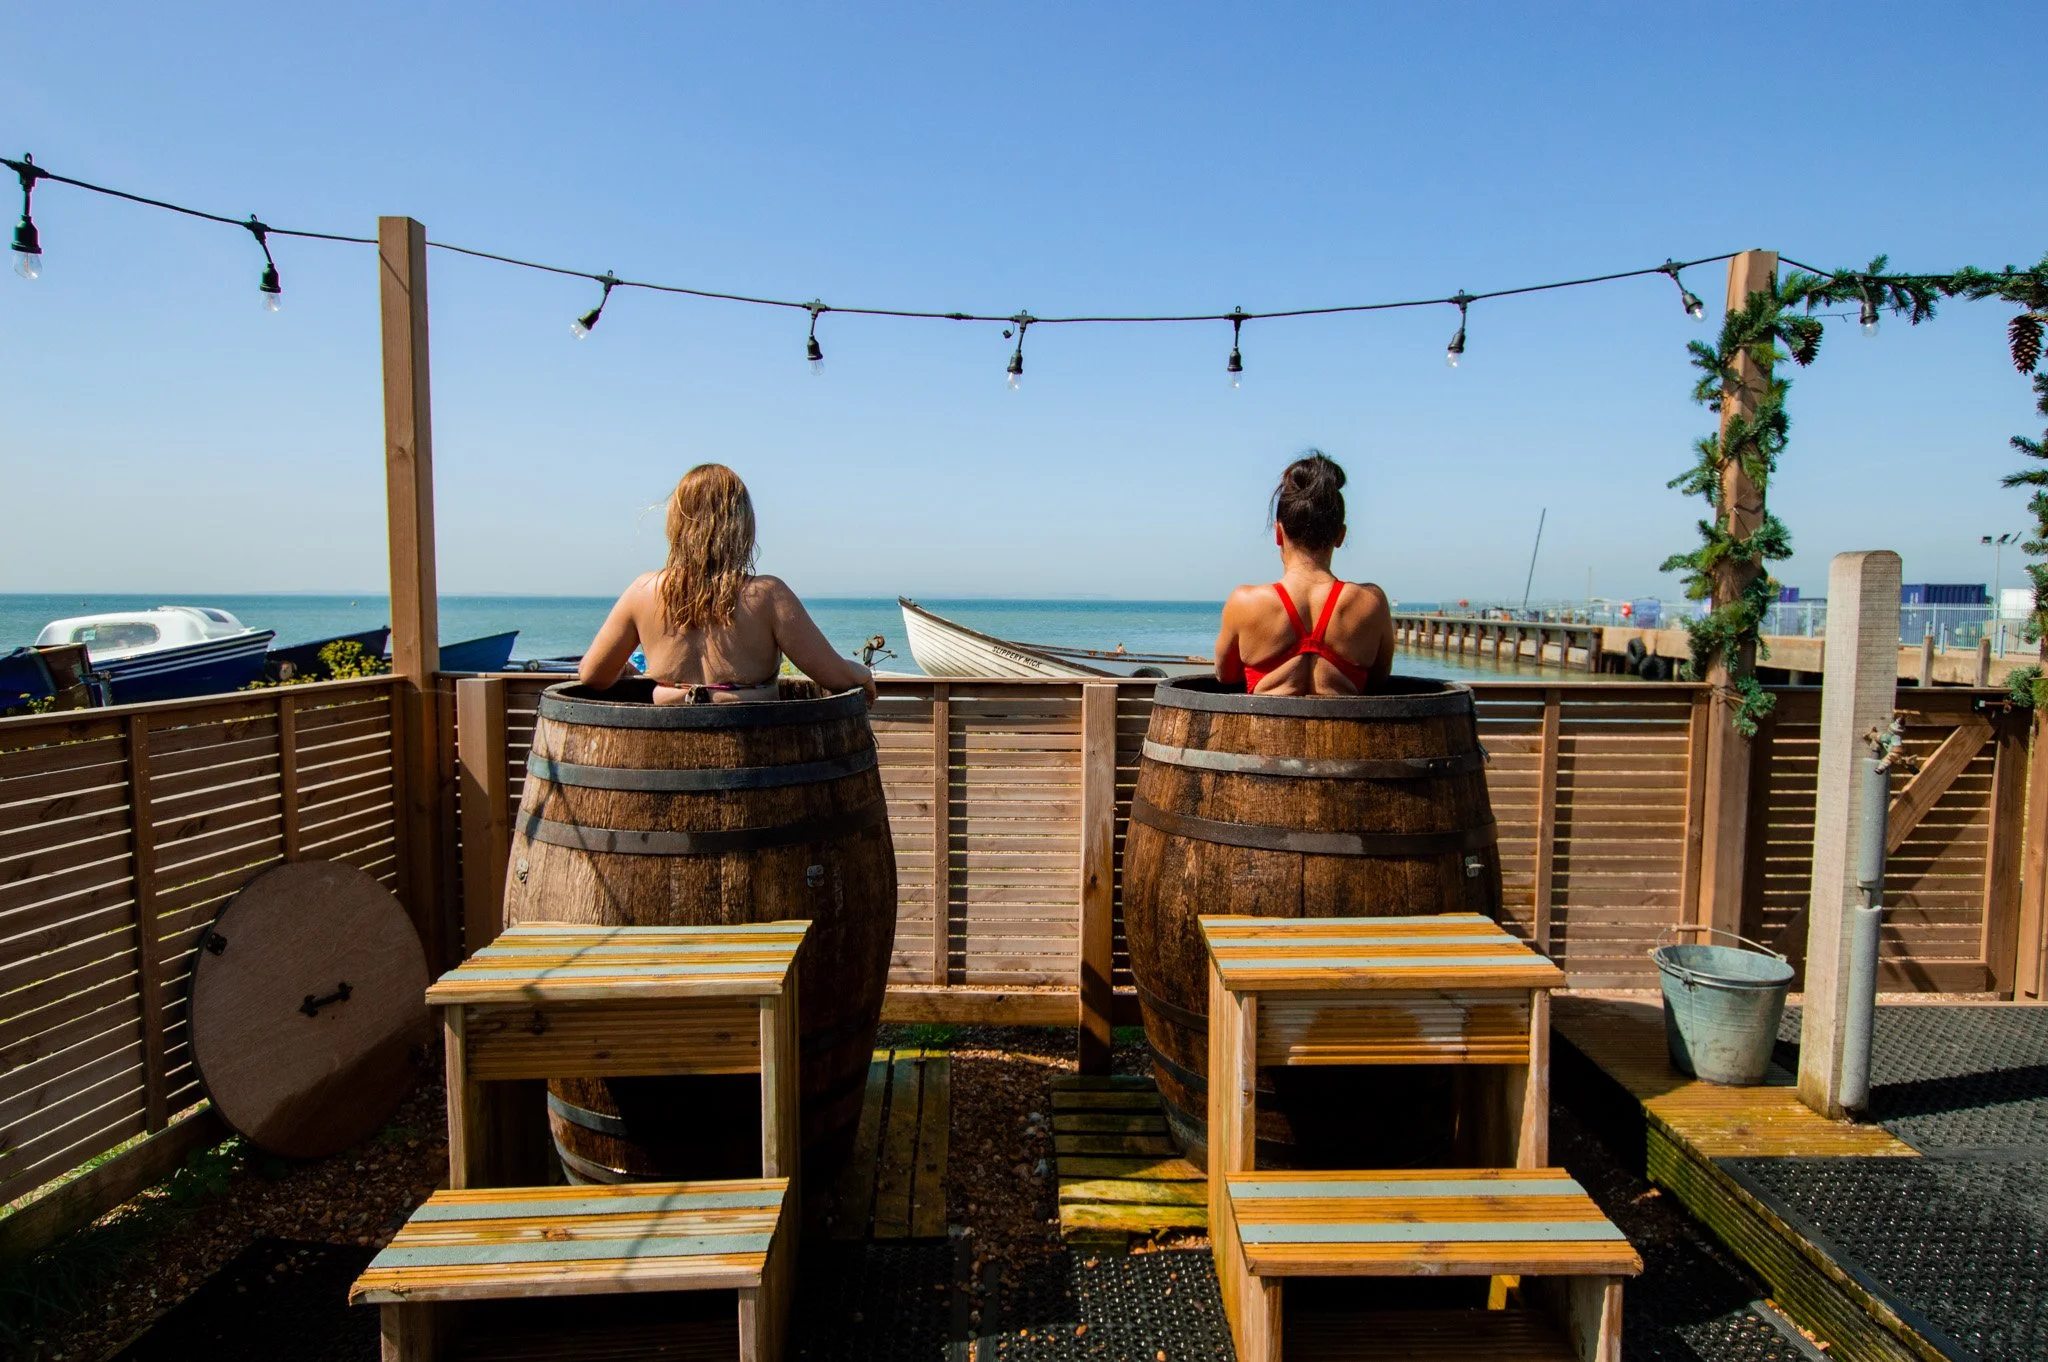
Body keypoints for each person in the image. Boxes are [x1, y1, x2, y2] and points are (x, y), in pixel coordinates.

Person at [578, 464, 877, 706]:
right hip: (752, 761)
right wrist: (862, 672)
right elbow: (833, 674)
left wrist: (626, 670)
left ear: (676, 524)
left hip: (668, 763)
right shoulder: (766, 596)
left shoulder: (643, 591)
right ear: (743, 525)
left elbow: (592, 675)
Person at [1213, 451, 1395, 696]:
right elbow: (1379, 679)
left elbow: (1226, 677)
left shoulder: (1244, 602)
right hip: (1344, 733)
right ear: (1340, 535)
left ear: (1278, 532)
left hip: (1265, 733)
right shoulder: (1371, 602)